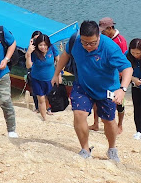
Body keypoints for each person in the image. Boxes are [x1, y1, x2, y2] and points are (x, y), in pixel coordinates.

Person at [51, 21, 133, 163]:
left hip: (107, 89)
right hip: (83, 85)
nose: (88, 47)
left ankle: (112, 149)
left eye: (93, 43)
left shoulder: (110, 48)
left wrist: (122, 89)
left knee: (108, 120)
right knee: (79, 114)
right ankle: (85, 149)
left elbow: (128, 69)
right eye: (85, 43)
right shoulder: (75, 41)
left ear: (99, 37)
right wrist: (56, 73)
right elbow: (65, 55)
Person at [89, 17, 128, 134]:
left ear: (110, 28)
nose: (102, 33)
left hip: (116, 77)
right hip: (101, 75)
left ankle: (119, 125)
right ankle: (96, 123)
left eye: (104, 30)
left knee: (118, 102)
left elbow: (124, 61)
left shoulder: (121, 41)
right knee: (96, 99)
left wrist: (122, 79)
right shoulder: (102, 39)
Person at [25, 33, 59, 121]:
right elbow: (28, 66)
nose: (43, 47)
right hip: (37, 79)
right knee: (41, 98)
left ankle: (49, 109)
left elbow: (59, 61)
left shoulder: (52, 48)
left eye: (45, 45)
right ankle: (44, 118)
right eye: (40, 45)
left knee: (49, 97)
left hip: (50, 79)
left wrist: (59, 74)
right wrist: (28, 54)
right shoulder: (34, 52)